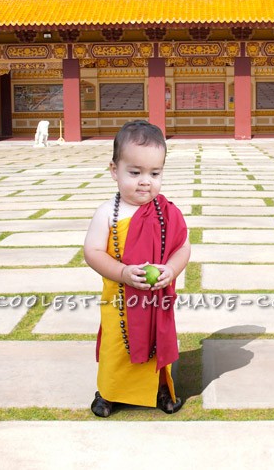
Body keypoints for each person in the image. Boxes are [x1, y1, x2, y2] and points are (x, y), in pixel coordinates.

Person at [84, 120, 190, 417]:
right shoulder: (107, 212)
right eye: (135, 172)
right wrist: (122, 272)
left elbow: (184, 247)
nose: (146, 181)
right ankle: (109, 392)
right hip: (120, 299)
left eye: (154, 173)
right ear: (114, 170)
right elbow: (91, 252)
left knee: (158, 343)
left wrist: (171, 268)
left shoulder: (167, 211)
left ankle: (160, 390)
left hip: (157, 300)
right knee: (117, 347)